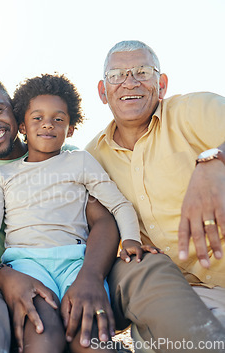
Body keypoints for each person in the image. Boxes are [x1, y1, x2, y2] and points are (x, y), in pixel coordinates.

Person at [0, 76, 225, 353]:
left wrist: (116, 252)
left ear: (15, 116)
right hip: (16, 269)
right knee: (38, 330)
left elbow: (107, 215)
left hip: (77, 262)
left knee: (95, 328)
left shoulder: (75, 159)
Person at [0, 73, 160, 352]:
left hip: (76, 263)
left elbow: (118, 204)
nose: (48, 124)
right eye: (37, 118)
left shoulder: (80, 161)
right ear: (22, 125)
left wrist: (130, 239)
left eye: (58, 119)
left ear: (70, 129)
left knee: (90, 340)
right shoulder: (3, 175)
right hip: (26, 264)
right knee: (44, 338)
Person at [85, 40, 225, 331]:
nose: (129, 82)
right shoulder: (91, 159)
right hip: (185, 296)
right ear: (103, 92)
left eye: (142, 72)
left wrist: (214, 160)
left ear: (161, 84)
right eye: (117, 75)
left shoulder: (193, 110)